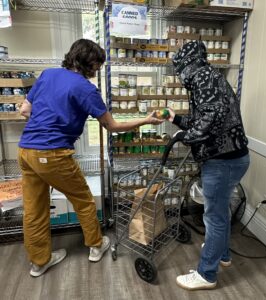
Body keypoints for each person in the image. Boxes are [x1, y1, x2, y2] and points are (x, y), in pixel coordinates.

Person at [18, 38, 163, 277]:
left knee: (34, 209)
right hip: (53, 153)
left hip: (26, 151)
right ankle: (96, 246)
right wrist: (146, 120)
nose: (97, 70)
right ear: (90, 62)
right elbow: (112, 126)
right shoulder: (85, 88)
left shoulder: (47, 74)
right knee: (83, 199)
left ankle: (39, 261)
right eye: (97, 65)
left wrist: (42, 127)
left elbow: (25, 110)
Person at [168, 40, 250, 290]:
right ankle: (222, 254)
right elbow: (204, 115)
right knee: (220, 212)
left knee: (213, 217)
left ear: (186, 64)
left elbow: (210, 118)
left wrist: (185, 136)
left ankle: (206, 274)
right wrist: (178, 120)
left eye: (179, 68)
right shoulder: (212, 76)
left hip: (221, 160)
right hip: (235, 157)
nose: (179, 75)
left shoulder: (201, 76)